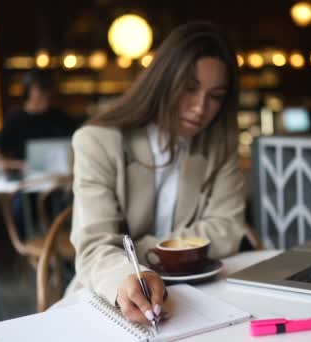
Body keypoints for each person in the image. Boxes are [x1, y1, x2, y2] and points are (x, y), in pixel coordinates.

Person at [67, 22, 247, 326]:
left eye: (215, 96)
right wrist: (132, 274)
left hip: (200, 295)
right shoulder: (97, 141)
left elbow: (227, 230)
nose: (200, 107)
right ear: (163, 81)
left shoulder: (219, 145)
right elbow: (95, 248)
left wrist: (142, 251)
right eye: (189, 88)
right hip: (113, 295)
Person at [0, 70, 80, 173]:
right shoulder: (15, 120)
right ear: (28, 91)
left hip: (59, 179)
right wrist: (19, 165)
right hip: (27, 181)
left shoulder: (60, 117)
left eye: (46, 92)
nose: (44, 96)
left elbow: (78, 143)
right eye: (40, 92)